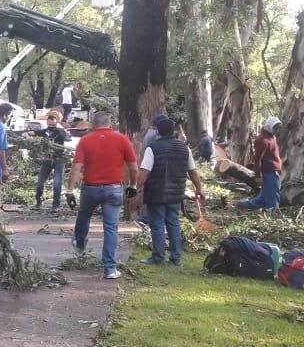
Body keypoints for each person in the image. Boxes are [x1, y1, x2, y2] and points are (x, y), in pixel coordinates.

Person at [66, 112, 138, 279]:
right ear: (110, 124)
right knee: (111, 228)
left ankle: (80, 242)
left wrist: (70, 191)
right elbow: (133, 167)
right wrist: (133, 185)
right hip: (113, 190)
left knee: (83, 216)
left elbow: (76, 167)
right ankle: (110, 269)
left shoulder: (85, 140)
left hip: (90, 189)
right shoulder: (122, 139)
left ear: (92, 124)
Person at [135, 119, 206, 266]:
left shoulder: (153, 148)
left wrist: (136, 189)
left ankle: (158, 257)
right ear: (173, 131)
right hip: (176, 194)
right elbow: (193, 171)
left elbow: (144, 172)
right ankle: (176, 257)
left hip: (156, 193)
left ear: (158, 132)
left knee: (157, 224)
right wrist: (199, 189)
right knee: (173, 224)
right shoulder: (184, 148)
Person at [239, 116, 283, 212]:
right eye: (275, 127)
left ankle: (241, 206)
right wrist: (258, 176)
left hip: (272, 173)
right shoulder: (262, 140)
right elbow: (257, 159)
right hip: (269, 173)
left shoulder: (271, 137)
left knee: (263, 199)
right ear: (269, 126)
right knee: (273, 200)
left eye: (278, 128)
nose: (276, 130)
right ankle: (273, 221)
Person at [33, 111, 71, 211]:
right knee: (41, 181)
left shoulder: (60, 131)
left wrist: (61, 131)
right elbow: (31, 133)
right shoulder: (44, 131)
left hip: (59, 159)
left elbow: (68, 138)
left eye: (53, 125)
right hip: (47, 159)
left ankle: (56, 205)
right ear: (47, 123)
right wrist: (28, 136)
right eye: (50, 124)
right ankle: (38, 202)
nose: (51, 126)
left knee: (57, 183)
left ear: (56, 123)